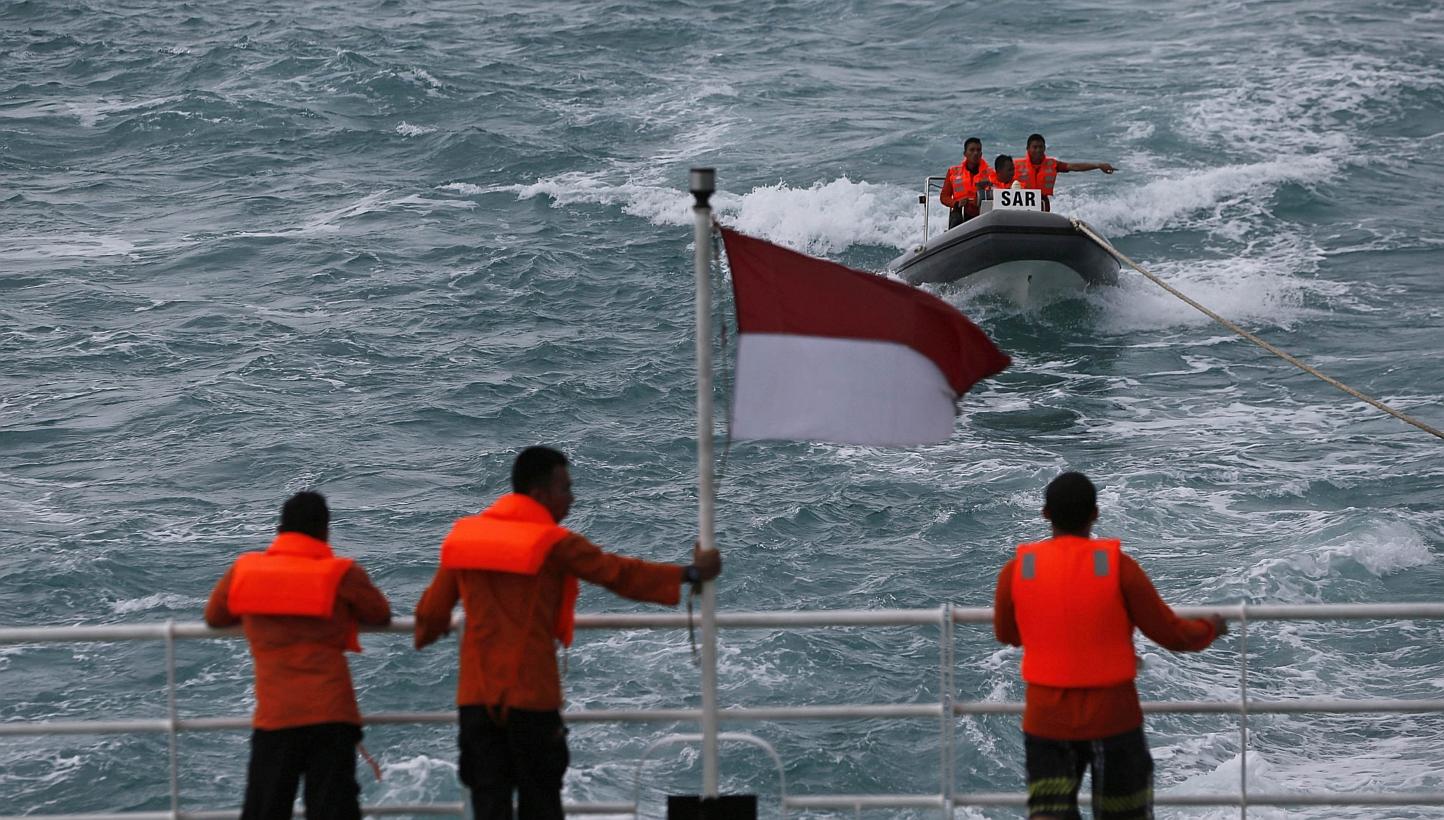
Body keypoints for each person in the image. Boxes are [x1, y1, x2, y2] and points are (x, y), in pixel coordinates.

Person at [413, 446, 723, 820]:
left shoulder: (465, 538)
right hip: (532, 699)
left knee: (488, 804)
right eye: (566, 489)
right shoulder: (554, 544)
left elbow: (431, 614)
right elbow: (618, 574)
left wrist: (429, 632)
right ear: (540, 494)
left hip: (477, 699)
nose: (572, 500)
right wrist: (690, 574)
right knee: (541, 803)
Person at [992, 472, 1226, 820]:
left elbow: (1007, 634)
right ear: (1095, 514)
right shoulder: (1119, 567)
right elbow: (1171, 634)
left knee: (1049, 815)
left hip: (1047, 720)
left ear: (1045, 514)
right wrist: (1210, 627)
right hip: (1114, 718)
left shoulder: (1018, 570)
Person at [205, 491, 392, 820]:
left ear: (281, 529)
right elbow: (380, 614)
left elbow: (216, 617)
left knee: (266, 810)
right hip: (331, 715)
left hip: (276, 717)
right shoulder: (342, 573)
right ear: (324, 530)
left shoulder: (245, 570)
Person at [1015, 133, 1116, 212]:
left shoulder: (1053, 164)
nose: (1038, 150)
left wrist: (1097, 165)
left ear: (1045, 148)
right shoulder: (1015, 165)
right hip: (1021, 205)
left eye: (1041, 147)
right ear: (1028, 149)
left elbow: (1074, 167)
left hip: (1043, 205)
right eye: (1035, 147)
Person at [940, 136, 994, 228]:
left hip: (982, 213)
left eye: (978, 150)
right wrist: (956, 204)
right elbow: (944, 197)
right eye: (972, 150)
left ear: (981, 154)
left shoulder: (991, 174)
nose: (975, 153)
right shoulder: (953, 172)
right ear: (965, 153)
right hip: (960, 212)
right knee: (956, 219)